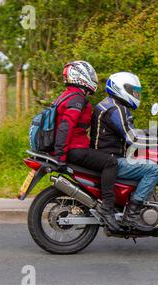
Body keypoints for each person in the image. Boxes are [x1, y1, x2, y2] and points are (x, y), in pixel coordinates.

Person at [90, 72, 158, 232]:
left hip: (103, 156)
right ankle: (132, 215)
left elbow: (128, 131)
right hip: (111, 160)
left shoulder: (109, 104)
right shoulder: (116, 109)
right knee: (154, 170)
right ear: (121, 88)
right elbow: (133, 139)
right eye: (133, 91)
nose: (136, 94)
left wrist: (155, 131)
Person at [53, 61, 120, 230]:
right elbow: (66, 126)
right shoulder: (77, 98)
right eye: (90, 76)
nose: (93, 79)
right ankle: (108, 209)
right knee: (111, 162)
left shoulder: (68, 95)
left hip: (74, 148)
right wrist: (60, 156)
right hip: (74, 150)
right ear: (80, 77)